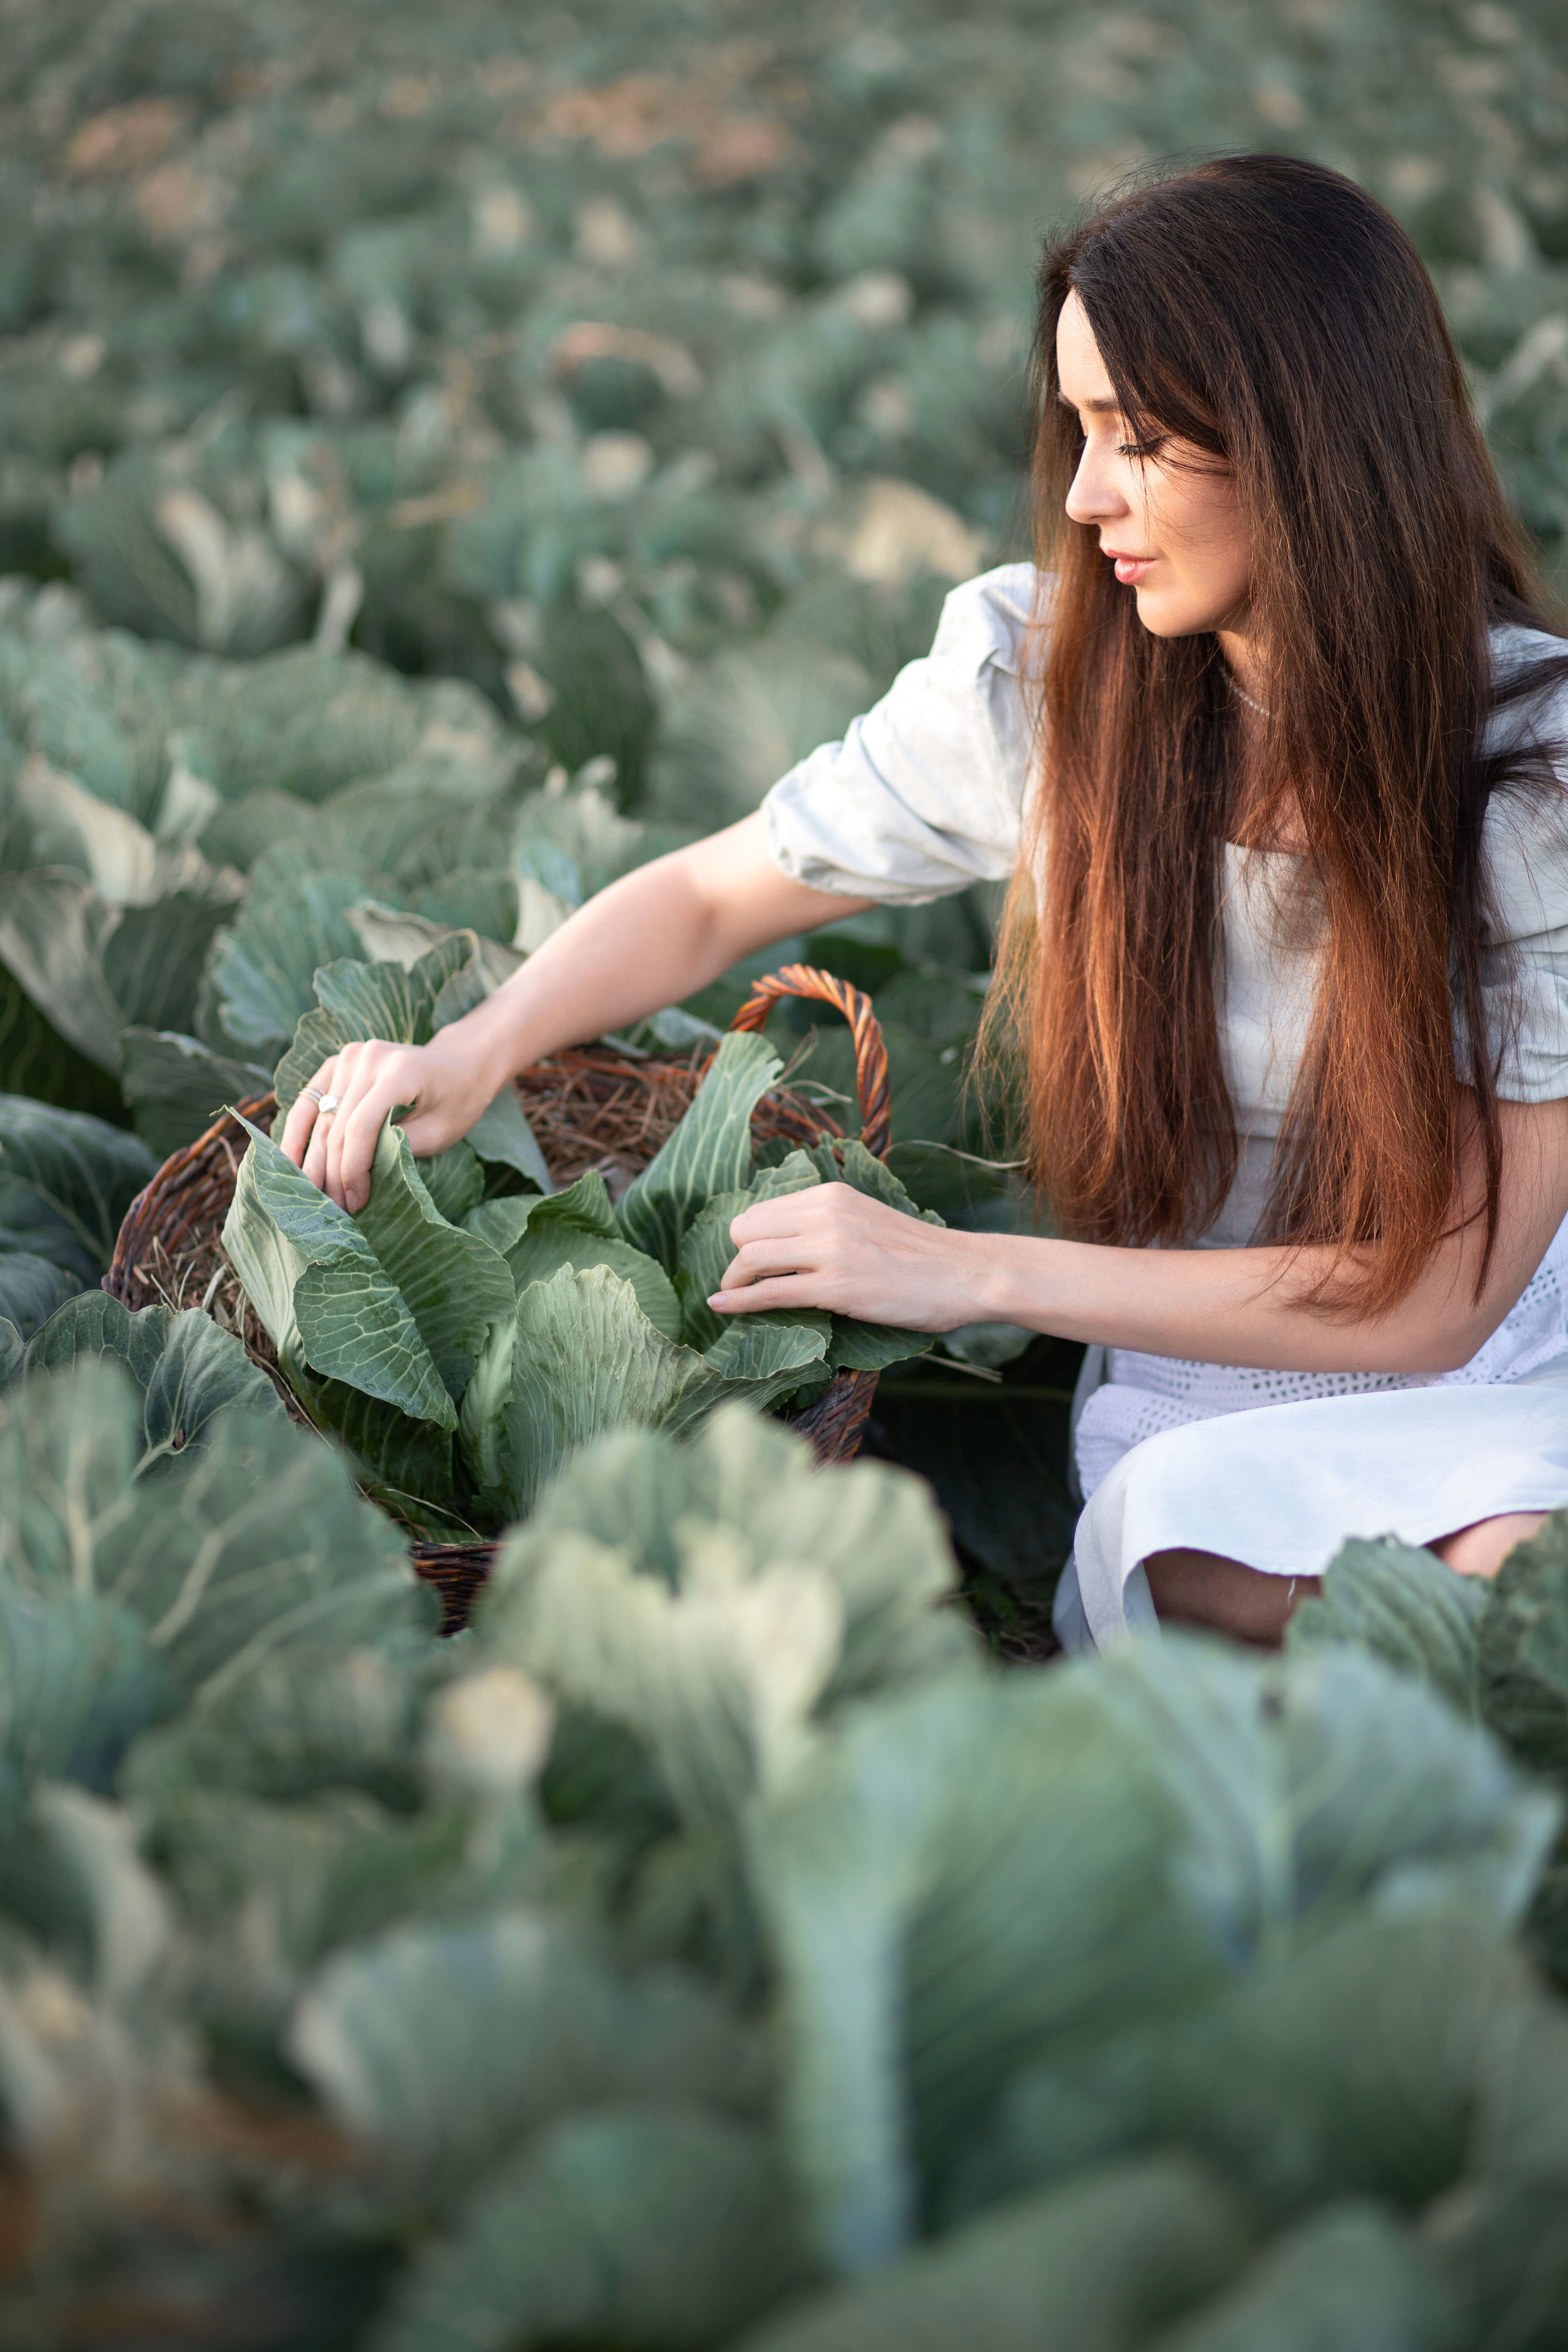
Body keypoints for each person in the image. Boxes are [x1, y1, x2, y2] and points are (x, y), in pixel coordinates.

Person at [281, 154, 1568, 1653]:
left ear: (1311, 443)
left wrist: (966, 1271)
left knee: (1502, 1574)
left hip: (1487, 1350)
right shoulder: (1044, 688)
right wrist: (475, 1048)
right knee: (1208, 1564)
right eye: (1077, 429)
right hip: (1200, 1353)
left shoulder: (1529, 774)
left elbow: (1439, 1298)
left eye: (1138, 439)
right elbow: (709, 896)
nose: (1083, 497)